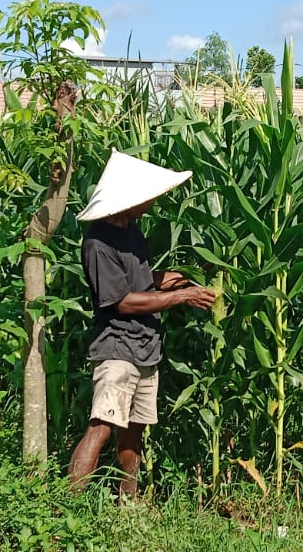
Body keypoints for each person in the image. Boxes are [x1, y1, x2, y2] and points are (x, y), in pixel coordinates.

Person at [68, 151, 216, 499]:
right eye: (147, 196)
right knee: (102, 425)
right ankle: (64, 512)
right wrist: (183, 297)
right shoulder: (98, 243)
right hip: (117, 348)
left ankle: (128, 503)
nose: (151, 201)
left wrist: (187, 276)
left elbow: (142, 281)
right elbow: (122, 300)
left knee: (134, 431)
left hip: (145, 347)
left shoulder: (131, 231)